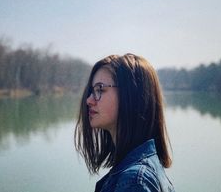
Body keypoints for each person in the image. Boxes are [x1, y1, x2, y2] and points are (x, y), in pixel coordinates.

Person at [74, 53, 175, 192]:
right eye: (91, 91)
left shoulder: (135, 181)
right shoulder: (139, 172)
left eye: (100, 89)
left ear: (131, 96)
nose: (89, 100)